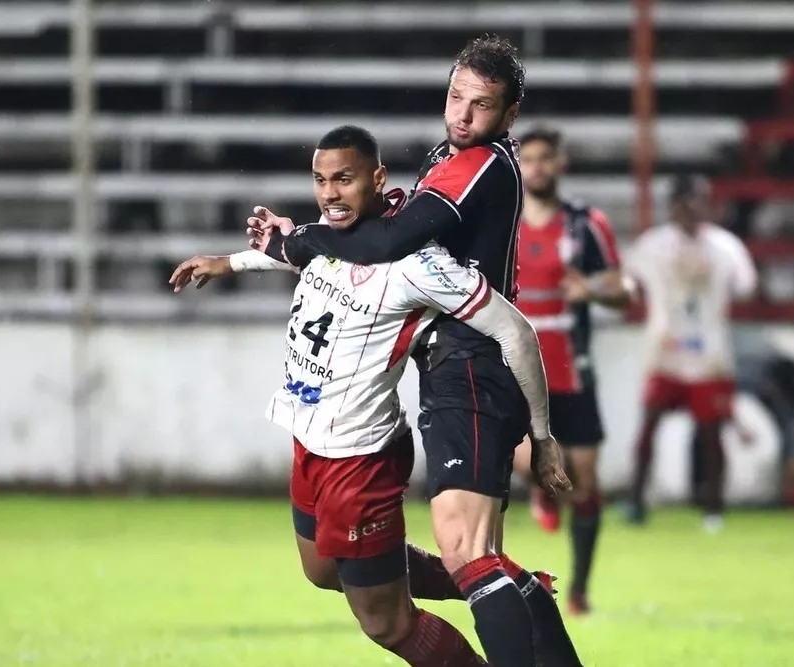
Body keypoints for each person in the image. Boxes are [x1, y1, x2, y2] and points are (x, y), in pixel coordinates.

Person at [170, 125, 569, 667]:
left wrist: (541, 435)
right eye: (320, 180)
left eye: (344, 179)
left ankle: (494, 590)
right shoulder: (334, 235)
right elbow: (303, 249)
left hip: (359, 457)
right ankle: (510, 586)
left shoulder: (417, 263)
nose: (330, 193)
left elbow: (515, 331)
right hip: (309, 440)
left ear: (377, 178)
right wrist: (229, 262)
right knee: (320, 569)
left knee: (387, 623)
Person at [249, 36, 584, 667]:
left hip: (473, 362)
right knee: (411, 561)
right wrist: (289, 245)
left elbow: (391, 240)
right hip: (449, 363)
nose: (462, 114)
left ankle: (514, 600)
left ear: (508, 117)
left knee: (469, 553)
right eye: (456, 96)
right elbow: (385, 234)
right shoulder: (455, 157)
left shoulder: (478, 162)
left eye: (481, 105)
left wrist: (301, 242)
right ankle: (528, 598)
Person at [505, 126, 633, 615]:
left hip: (572, 370)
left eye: (545, 158)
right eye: (529, 159)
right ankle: (541, 491)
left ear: (561, 164)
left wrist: (594, 292)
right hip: (518, 369)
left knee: (585, 481)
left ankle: (579, 591)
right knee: (526, 460)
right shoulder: (507, 224)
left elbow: (623, 291)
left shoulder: (586, 224)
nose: (537, 167)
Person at [625, 173, 758, 533]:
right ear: (674, 206)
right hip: (665, 352)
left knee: (711, 433)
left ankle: (713, 507)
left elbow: (746, 286)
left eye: (701, 200)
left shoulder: (725, 246)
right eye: (688, 201)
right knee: (649, 426)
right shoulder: (652, 245)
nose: (695, 208)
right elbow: (629, 283)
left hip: (708, 356)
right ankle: (635, 500)